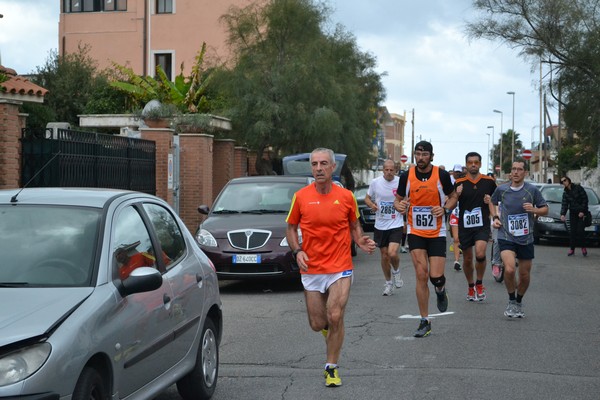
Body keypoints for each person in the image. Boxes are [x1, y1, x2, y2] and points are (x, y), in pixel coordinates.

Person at [286, 147, 376, 387]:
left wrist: (361, 240)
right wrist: (298, 251)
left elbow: (354, 225)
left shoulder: (345, 196)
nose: (318, 168)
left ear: (333, 167)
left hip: (340, 266)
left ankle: (331, 368)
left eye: (323, 163)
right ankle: (332, 333)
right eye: (315, 164)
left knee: (335, 315)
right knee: (318, 323)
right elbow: (291, 228)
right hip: (313, 268)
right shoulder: (301, 197)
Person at [394, 141, 456, 337]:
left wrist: (445, 209)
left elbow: (453, 197)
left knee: (435, 277)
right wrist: (400, 206)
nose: (420, 158)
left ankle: (440, 289)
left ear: (432, 156)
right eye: (417, 154)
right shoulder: (406, 176)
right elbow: (397, 200)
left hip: (436, 232)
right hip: (416, 231)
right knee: (421, 275)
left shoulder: (442, 175)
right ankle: (424, 320)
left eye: (424, 154)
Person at [490, 160, 548, 318]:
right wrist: (495, 217)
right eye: (513, 169)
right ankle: (511, 300)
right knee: (509, 269)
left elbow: (545, 209)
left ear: (525, 173)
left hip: (526, 237)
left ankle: (519, 301)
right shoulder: (502, 189)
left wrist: (534, 209)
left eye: (519, 169)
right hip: (506, 235)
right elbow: (492, 202)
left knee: (524, 275)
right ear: (510, 172)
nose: (516, 172)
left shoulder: (532, 191)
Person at [445, 152, 497, 301]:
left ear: (480, 164)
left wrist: (494, 214)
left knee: (480, 254)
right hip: (465, 226)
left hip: (482, 225)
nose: (473, 164)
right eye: (470, 162)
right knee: (467, 259)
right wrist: (456, 195)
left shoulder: (489, 181)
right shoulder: (459, 182)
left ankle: (479, 283)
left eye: (476, 162)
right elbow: (452, 203)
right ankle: (470, 286)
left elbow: (495, 200)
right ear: (466, 164)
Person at [365, 159, 404, 296]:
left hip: (396, 223)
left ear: (395, 170)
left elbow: (409, 197)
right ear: (383, 170)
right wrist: (372, 205)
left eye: (391, 170)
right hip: (380, 224)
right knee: (384, 255)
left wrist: (404, 204)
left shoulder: (401, 182)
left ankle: (397, 271)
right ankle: (388, 283)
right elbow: (367, 198)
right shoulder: (376, 182)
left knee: (393, 253)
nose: (388, 172)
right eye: (386, 170)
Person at [560, 176, 589, 256]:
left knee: (580, 231)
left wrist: (582, 211)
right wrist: (562, 214)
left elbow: (585, 199)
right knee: (572, 232)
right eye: (562, 182)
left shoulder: (578, 188)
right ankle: (572, 249)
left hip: (581, 213)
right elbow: (564, 204)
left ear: (569, 180)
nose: (564, 182)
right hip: (573, 213)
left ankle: (583, 247)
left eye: (565, 180)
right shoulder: (565, 193)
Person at [448, 164, 464, 271]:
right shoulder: (450, 183)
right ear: (453, 172)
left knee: (465, 240)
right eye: (456, 172)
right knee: (456, 238)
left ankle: (466, 258)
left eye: (459, 172)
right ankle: (457, 261)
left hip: (466, 215)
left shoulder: (465, 183)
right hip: (455, 212)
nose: (457, 174)